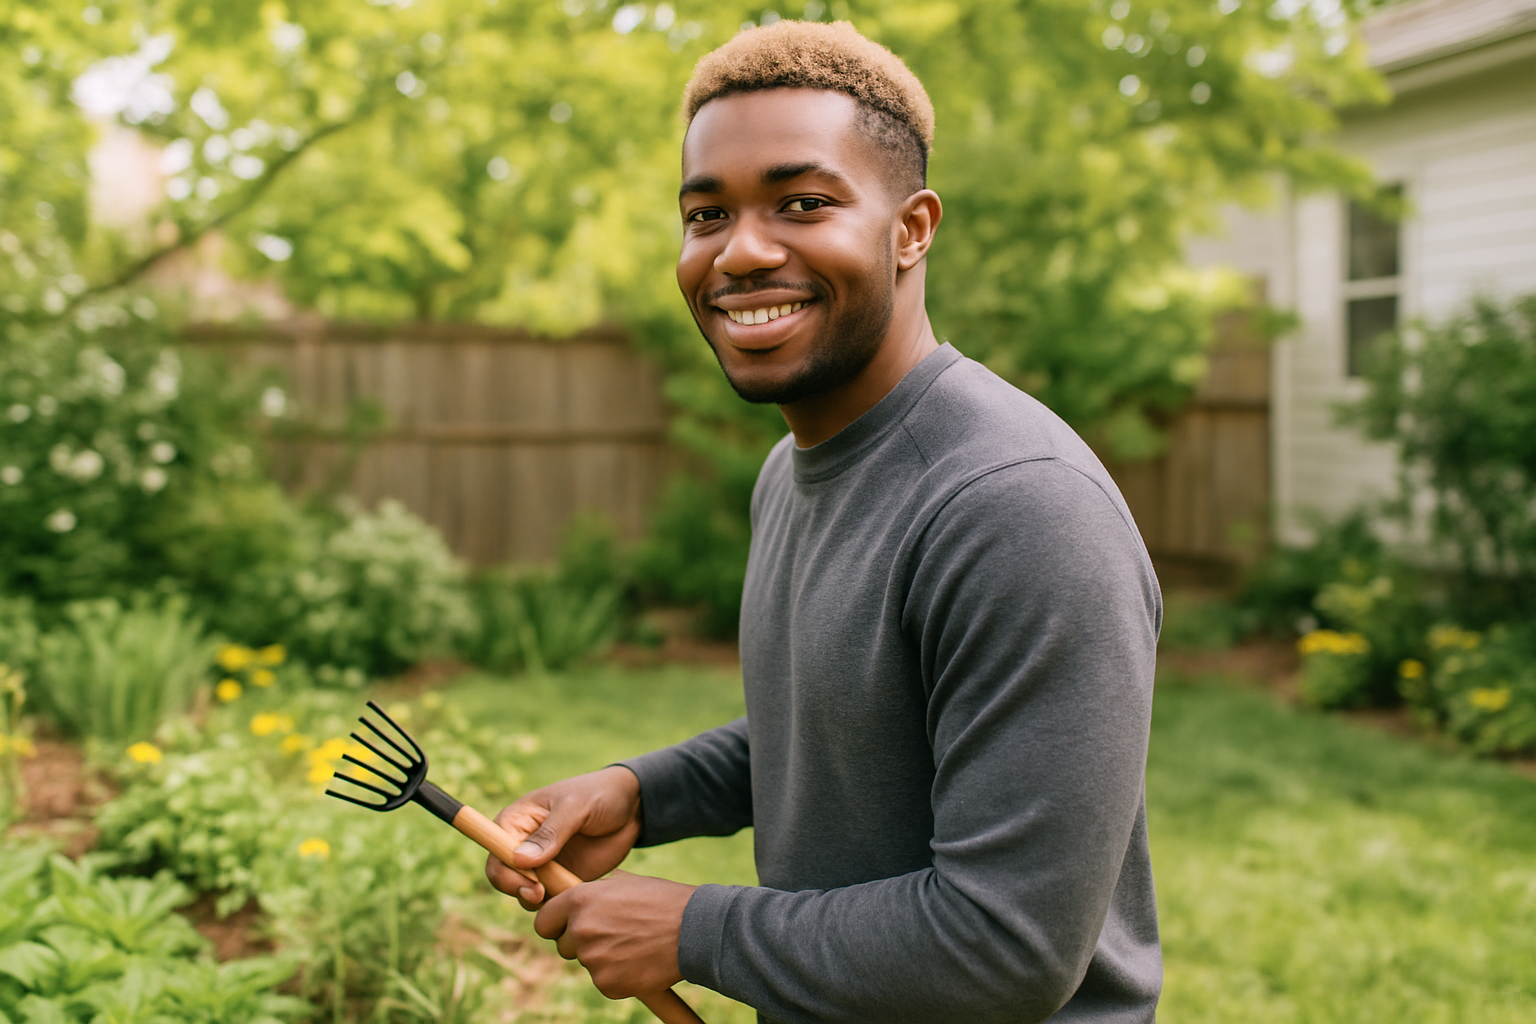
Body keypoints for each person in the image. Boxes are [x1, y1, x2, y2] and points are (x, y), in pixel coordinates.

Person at [486, 19, 1162, 1024]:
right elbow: (851, 730)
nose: (741, 251)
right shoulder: (792, 468)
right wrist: (643, 791)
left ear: (913, 227)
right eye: (705, 213)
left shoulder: (1017, 505)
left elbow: (1008, 945)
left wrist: (693, 930)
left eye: (803, 203)